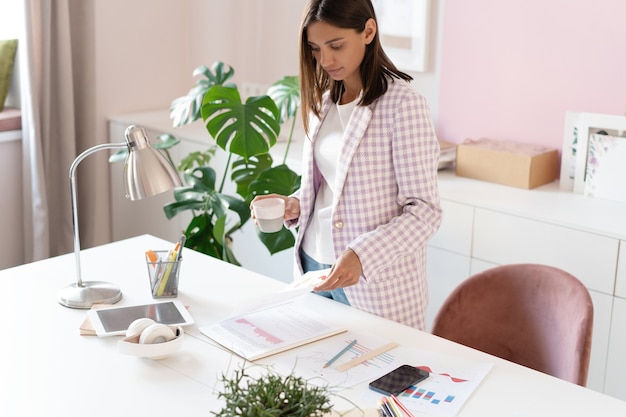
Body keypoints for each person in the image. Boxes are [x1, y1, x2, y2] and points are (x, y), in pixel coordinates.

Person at [251, 0, 442, 330]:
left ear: (368, 31)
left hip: (373, 282)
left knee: (375, 376)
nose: (325, 60)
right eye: (315, 49)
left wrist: (363, 255)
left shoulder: (403, 105)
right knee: (316, 376)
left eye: (335, 45)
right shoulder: (323, 102)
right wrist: (296, 203)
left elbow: (425, 211)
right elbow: (333, 183)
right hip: (313, 264)